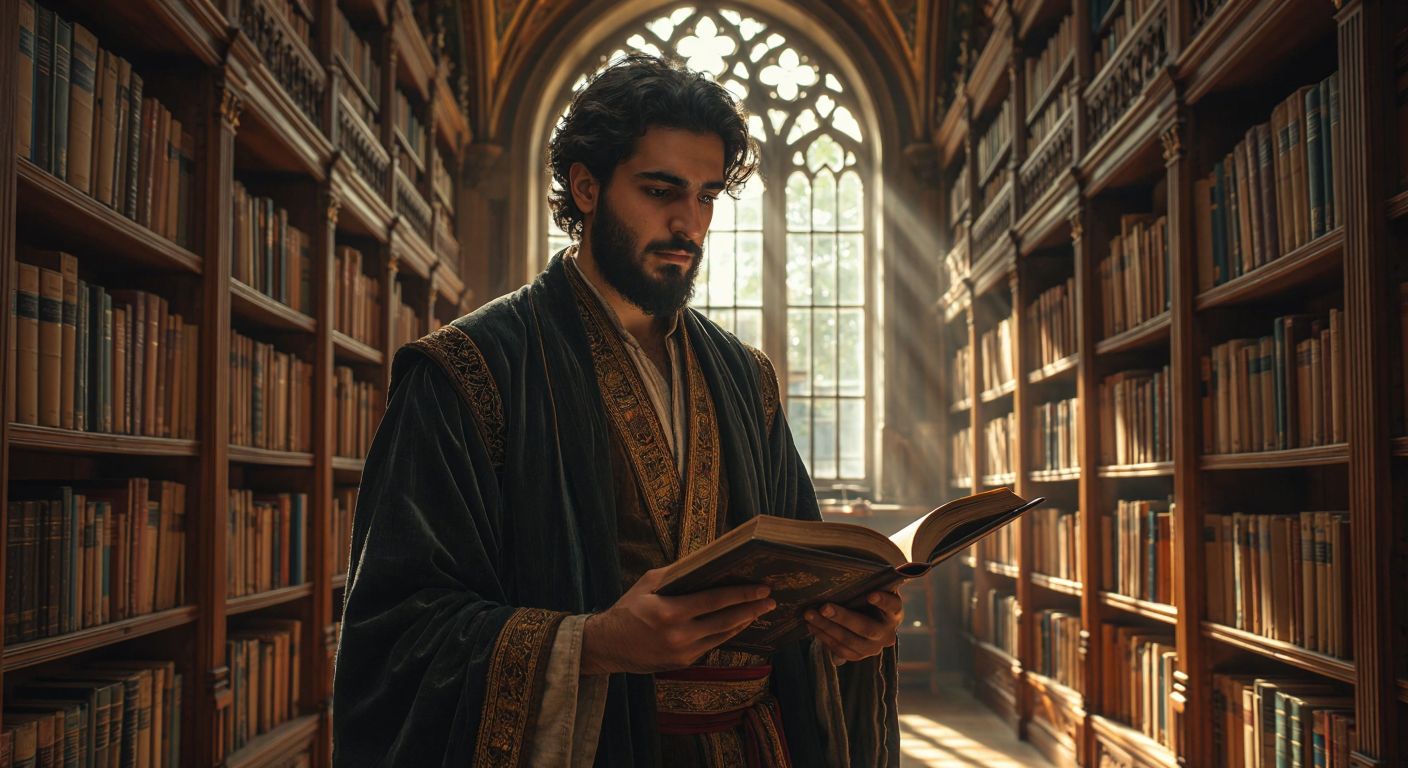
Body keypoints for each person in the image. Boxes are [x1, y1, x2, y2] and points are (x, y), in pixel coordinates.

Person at [331, 54, 901, 767]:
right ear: (586, 186)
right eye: (661, 190)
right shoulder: (468, 369)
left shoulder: (744, 377)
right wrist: (594, 645)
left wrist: (848, 627)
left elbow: (799, 587)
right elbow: (396, 635)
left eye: (705, 196)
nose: (687, 223)